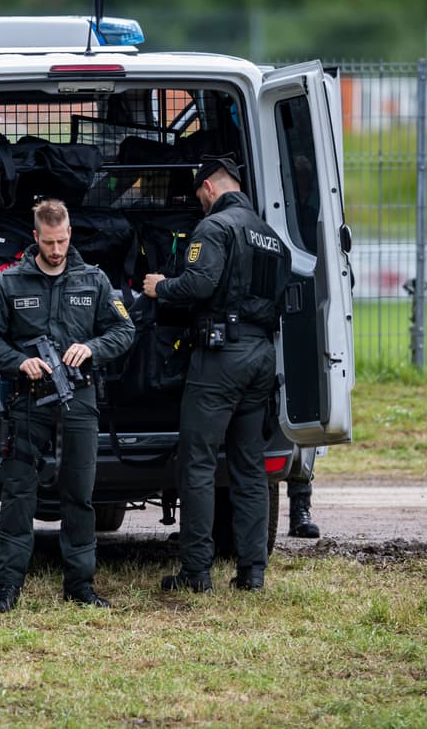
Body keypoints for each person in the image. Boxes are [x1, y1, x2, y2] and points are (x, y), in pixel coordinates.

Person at [0, 198, 135, 612]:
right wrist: (18, 361)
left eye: (62, 241)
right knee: (18, 495)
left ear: (70, 234)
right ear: (35, 238)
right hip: (28, 400)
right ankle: (8, 589)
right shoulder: (9, 282)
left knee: (79, 495)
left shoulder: (93, 279)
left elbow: (124, 330)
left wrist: (91, 348)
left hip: (78, 397)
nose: (57, 250)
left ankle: (80, 587)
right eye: (49, 243)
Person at [143, 156, 291, 592]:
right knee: (249, 468)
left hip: (220, 356)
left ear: (208, 187)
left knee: (199, 464)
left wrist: (161, 287)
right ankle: (252, 572)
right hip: (261, 356)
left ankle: (196, 572)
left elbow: (199, 285)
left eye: (199, 196)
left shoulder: (215, 227)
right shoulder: (269, 235)